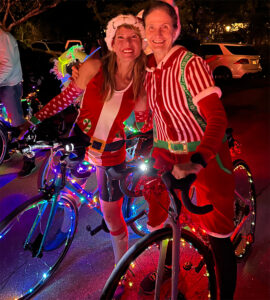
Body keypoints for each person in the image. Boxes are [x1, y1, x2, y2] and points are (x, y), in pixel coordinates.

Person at [29, 14, 147, 296]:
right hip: (83, 140)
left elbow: (146, 118)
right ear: (111, 41)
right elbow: (66, 98)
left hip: (113, 153)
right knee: (66, 184)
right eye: (121, 37)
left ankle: (121, 270)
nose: (127, 44)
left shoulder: (143, 78)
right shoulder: (95, 66)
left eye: (133, 38)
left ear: (141, 43)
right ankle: (57, 230)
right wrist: (34, 121)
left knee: (111, 214)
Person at [137, 2, 237, 299]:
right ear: (143, 31)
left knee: (218, 235)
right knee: (168, 215)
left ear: (176, 29)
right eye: (151, 27)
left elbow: (217, 118)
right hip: (167, 153)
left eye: (164, 27)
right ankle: (169, 265)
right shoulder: (149, 70)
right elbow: (155, 120)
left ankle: (226, 295)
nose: (157, 34)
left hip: (204, 153)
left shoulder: (189, 64)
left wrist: (196, 161)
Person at [0, 27, 35, 174]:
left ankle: (29, 157)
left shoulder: (3, 37)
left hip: (10, 85)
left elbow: (7, 65)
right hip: (2, 82)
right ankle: (4, 145)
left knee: (18, 123)